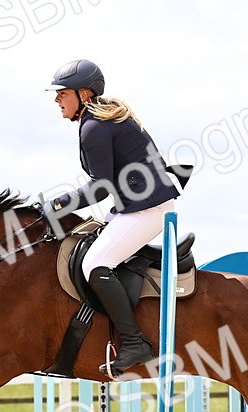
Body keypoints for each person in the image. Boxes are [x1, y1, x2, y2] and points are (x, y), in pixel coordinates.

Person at [48, 59, 179, 374]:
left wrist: (58, 204)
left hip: (148, 209)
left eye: (62, 93)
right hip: (134, 205)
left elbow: (100, 187)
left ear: (83, 94)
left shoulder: (94, 126)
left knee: (94, 264)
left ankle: (134, 343)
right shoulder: (98, 118)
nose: (57, 100)